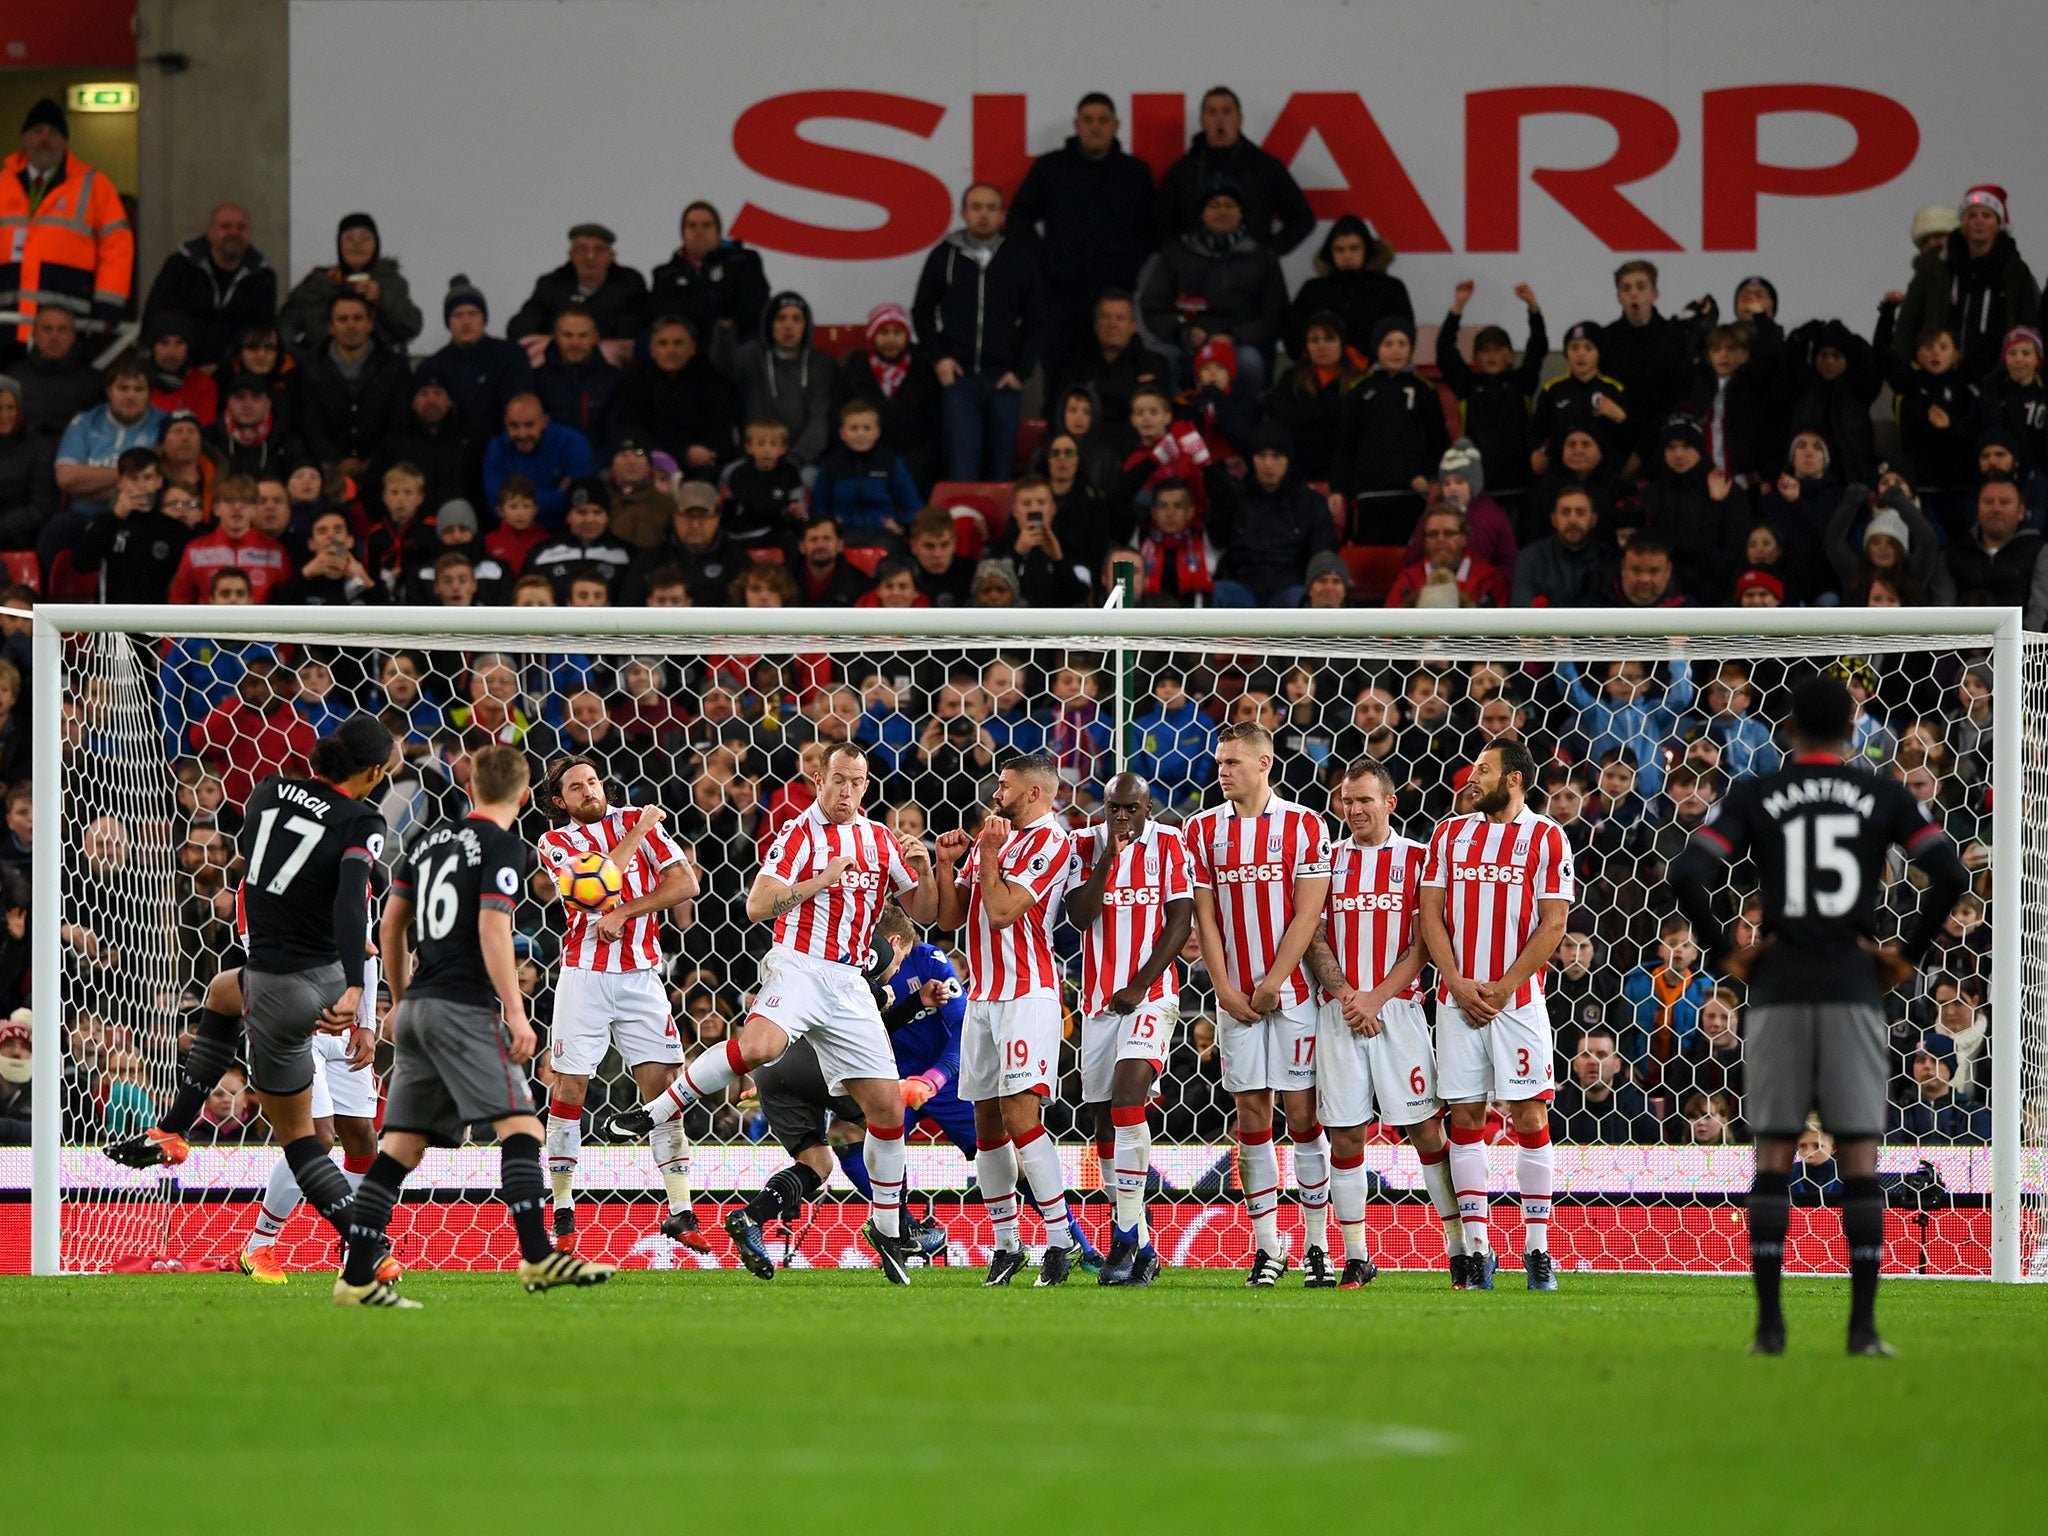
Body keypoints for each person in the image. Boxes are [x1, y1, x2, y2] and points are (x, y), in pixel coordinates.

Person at [1668, 673, 1971, 1356]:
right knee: (1860, 1156)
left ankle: (1769, 1331)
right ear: (1853, 728)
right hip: (1852, 986)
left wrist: (1726, 953)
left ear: (1789, 729)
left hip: (1776, 991)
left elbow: (1687, 873)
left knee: (1773, 1153)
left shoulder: (1759, 793)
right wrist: (1904, 955)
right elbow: (1951, 873)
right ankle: (1862, 1331)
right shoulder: (1882, 792)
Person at [610, 742, 939, 1281]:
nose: (848, 792)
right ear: (818, 777)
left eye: (857, 783)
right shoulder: (797, 833)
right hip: (800, 963)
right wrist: (822, 881)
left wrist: (923, 871)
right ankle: (660, 1110)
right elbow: (758, 906)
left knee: (888, 1113)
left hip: (851, 982)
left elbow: (925, 913)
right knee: (762, 1045)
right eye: (839, 780)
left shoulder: (880, 839)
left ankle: (887, 1230)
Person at [339, 745, 615, 1305]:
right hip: (464, 1008)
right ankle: (539, 1257)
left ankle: (355, 1278)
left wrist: (401, 996)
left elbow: (390, 924)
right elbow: (493, 926)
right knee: (523, 1130)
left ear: (470, 787)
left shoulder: (426, 840)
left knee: (402, 1149)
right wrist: (516, 1011)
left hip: (416, 1010)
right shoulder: (504, 846)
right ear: (524, 793)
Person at [110, 717, 393, 1258]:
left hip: (315, 995)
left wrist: (364, 1017)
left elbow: (353, 913)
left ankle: (172, 1129)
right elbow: (352, 901)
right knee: (314, 1138)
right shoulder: (359, 824)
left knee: (355, 1132)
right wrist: (356, 987)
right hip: (314, 990)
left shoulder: (266, 797)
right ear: (375, 771)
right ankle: (334, 1247)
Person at [723, 905, 965, 1276]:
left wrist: (914, 1002)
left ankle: (752, 1217)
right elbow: (855, 1031)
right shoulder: (858, 958)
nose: (897, 970)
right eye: (898, 960)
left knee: (817, 1163)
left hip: (772, 1070)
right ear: (893, 943)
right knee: (886, 1119)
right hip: (811, 1059)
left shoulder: (817, 952)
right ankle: (901, 1228)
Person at [1304, 760, 1470, 1288]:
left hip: (1398, 1011)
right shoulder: (1324, 861)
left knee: (1425, 1130)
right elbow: (1313, 934)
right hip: (1339, 1012)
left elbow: (1425, 944)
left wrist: (1375, 998)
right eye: (1346, 801)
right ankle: (1356, 1254)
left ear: (1389, 803)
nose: (1353, 810)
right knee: (1346, 1135)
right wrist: (1347, 995)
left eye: (1364, 800)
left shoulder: (1418, 859)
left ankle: (1459, 1246)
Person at [1418, 739, 1575, 1292]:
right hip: (1456, 1000)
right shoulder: (1448, 834)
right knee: (1465, 1118)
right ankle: (1479, 1251)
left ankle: (1538, 1248)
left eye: (1483, 770)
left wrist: (1505, 986)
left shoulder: (1547, 836)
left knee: (1530, 1118)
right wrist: (1457, 982)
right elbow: (1429, 917)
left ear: (1513, 779)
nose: (1472, 778)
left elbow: (1553, 923)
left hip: (1519, 1002)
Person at [531, 755, 703, 1252]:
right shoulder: (554, 841)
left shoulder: (634, 819)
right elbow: (593, 885)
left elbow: (685, 884)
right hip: (583, 976)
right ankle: (563, 1216)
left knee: (664, 1091)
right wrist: (642, 829)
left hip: (641, 975)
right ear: (559, 802)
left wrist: (629, 909)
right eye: (576, 787)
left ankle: (681, 1211)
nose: (589, 790)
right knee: (569, 1088)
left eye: (593, 780)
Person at [1184, 722, 1333, 1286]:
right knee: (1250, 1117)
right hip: (1235, 997)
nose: (1223, 771)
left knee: (1302, 1116)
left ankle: (1317, 1244)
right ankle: (1268, 1247)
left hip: (1293, 993)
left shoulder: (1304, 824)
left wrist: (1275, 979)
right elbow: (1207, 917)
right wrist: (1223, 988)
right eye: (1219, 762)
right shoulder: (1201, 829)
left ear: (1266, 764)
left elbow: (1308, 914)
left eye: (1233, 763)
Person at [929, 752, 1080, 1285]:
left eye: (1005, 786)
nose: (997, 794)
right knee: (986, 1121)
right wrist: (947, 865)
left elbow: (1002, 910)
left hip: (1028, 994)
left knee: (1020, 1114)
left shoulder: (1051, 841)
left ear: (1035, 793)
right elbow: (949, 919)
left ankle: (1061, 1241)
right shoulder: (996, 838)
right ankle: (1006, 1243)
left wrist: (987, 853)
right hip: (983, 996)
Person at [1062, 772, 1194, 1286]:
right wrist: (1109, 860)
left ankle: (1120, 1237)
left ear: (1148, 808)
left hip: (1149, 998)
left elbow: (1180, 920)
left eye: (1130, 809)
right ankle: (1140, 1244)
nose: (1120, 817)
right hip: (1097, 1005)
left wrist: (1141, 985)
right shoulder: (1082, 844)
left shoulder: (1169, 843)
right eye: (1113, 808)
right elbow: (1079, 916)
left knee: (1127, 1102)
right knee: (1104, 1126)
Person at [1008, 94, 1156, 383]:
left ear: (1116, 125)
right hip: (1061, 296)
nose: (1095, 127)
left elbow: (1151, 230)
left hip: (1116, 296)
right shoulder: (1050, 168)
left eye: (1103, 120)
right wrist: (1046, 261)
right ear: (1077, 125)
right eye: (1088, 120)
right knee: (1059, 379)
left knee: (1119, 380)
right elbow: (1018, 219)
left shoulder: (1135, 173)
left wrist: (1128, 268)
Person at [912, 183, 1043, 482]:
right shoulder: (943, 256)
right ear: (963, 213)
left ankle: (1001, 530)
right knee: (962, 472)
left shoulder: (1020, 257)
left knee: (1002, 473)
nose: (984, 215)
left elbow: (1037, 318)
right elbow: (921, 312)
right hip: (959, 381)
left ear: (1002, 215)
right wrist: (939, 358)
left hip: (1003, 382)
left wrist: (1020, 371)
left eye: (991, 208)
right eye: (977, 207)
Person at [0, 99, 133, 349]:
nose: (45, 139)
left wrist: (108, 303)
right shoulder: (2, 183)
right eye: (37, 131)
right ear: (24, 140)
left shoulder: (93, 185)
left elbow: (117, 245)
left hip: (68, 325)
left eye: (53, 133)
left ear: (64, 143)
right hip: (6, 320)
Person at [1139, 179, 1287, 396]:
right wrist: (1183, 332)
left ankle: (1241, 423)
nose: (1222, 211)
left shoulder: (1261, 257)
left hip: (1239, 345)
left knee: (1249, 362)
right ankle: (1176, 424)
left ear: (1241, 213)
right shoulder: (1177, 253)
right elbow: (1153, 306)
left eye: (1230, 205)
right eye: (1214, 205)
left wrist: (1234, 336)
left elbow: (1275, 313)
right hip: (1184, 343)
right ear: (1202, 214)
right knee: (1159, 359)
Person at [1895, 186, 2041, 383]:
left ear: (1998, 224)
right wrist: (1909, 371)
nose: (1979, 221)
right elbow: (1908, 322)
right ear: (1963, 223)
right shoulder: (1936, 267)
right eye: (1972, 215)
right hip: (1939, 379)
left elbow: (2029, 325)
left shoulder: (2015, 271)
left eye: (1986, 215)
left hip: (1996, 383)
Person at [1154, 85, 1314, 255]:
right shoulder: (1182, 171)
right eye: (1212, 112)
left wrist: (1268, 252)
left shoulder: (1265, 167)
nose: (1219, 119)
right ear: (1202, 121)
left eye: (1226, 111)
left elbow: (1302, 218)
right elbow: (1159, 224)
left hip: (1251, 273)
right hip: (1196, 275)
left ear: (1239, 119)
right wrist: (1180, 258)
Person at [1435, 280, 1547, 510]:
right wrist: (1458, 307)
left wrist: (1533, 308)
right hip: (1479, 492)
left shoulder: (1521, 383)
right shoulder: (1467, 385)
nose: (1492, 355)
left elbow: (1537, 347)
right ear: (1475, 358)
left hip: (1520, 489)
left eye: (1498, 349)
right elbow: (1445, 351)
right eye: (1485, 350)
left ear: (1510, 356)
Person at [1207, 421, 1336, 607]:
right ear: (1252, 459)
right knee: (1216, 593)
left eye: (1276, 456)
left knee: (1300, 599)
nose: (1268, 464)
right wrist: (1222, 506)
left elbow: (1323, 552)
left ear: (1288, 459)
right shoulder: (1235, 499)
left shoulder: (1311, 502)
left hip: (1291, 587)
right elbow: (1216, 541)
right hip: (1242, 587)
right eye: (1261, 455)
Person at [142, 203, 277, 367]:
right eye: (225, 226)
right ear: (210, 232)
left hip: (236, 372)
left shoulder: (263, 278)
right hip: (181, 368)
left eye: (241, 228)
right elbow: (156, 318)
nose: (234, 233)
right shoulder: (179, 267)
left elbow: (263, 332)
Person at [298, 290, 411, 477]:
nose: (350, 325)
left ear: (370, 324)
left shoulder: (395, 367)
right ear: (331, 326)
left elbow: (399, 424)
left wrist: (373, 461)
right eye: (343, 319)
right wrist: (337, 462)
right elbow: (310, 426)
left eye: (357, 318)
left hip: (385, 472)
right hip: (327, 473)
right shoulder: (310, 369)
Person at [718, 291, 834, 470]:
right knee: (728, 474)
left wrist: (796, 459)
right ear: (769, 324)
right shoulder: (752, 355)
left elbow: (819, 422)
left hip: (803, 462)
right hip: (755, 458)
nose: (788, 325)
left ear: (806, 326)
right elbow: (724, 366)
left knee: (810, 480)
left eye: (796, 319)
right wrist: (725, 329)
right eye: (781, 318)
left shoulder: (821, 364)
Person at [280, 212, 422, 353]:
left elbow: (411, 327)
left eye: (365, 238)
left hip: (379, 371)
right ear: (339, 245)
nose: (357, 244)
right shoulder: (318, 283)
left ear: (376, 244)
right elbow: (285, 327)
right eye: (349, 238)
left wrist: (381, 299)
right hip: (323, 371)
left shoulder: (390, 281)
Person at [507, 222, 648, 356]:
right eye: (582, 249)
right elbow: (522, 325)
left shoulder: (629, 283)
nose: (590, 257)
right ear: (571, 254)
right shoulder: (552, 283)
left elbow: (637, 326)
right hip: (559, 354)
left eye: (598, 250)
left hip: (608, 356)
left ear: (611, 256)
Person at [645, 201, 770, 348]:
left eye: (706, 225)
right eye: (692, 226)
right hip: (685, 353)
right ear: (683, 234)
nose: (699, 231)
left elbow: (753, 307)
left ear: (718, 233)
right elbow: (664, 317)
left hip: (736, 347)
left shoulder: (744, 261)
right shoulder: (664, 274)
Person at [426, 275, 533, 439]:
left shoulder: (510, 356)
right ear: (448, 322)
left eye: (473, 314)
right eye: (458, 315)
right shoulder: (433, 367)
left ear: (483, 319)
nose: (466, 322)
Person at [481, 393, 594, 524]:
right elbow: (494, 504)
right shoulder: (497, 447)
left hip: (562, 534)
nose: (522, 434)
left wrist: (513, 502)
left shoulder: (574, 443)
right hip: (513, 534)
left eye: (529, 425)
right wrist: (556, 496)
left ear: (544, 421)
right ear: (505, 422)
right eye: (514, 426)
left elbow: (578, 500)